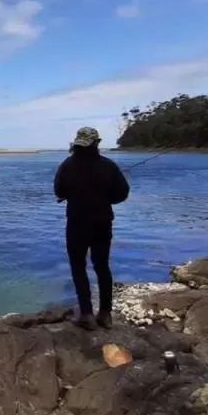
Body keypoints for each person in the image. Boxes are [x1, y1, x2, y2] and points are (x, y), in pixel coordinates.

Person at [53, 127, 130, 330]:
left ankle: (86, 314)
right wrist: (105, 199)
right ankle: (105, 314)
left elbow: (58, 190)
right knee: (102, 266)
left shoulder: (67, 165)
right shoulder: (108, 165)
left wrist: (73, 194)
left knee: (78, 267)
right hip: (102, 222)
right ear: (96, 143)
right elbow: (123, 193)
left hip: (77, 223)